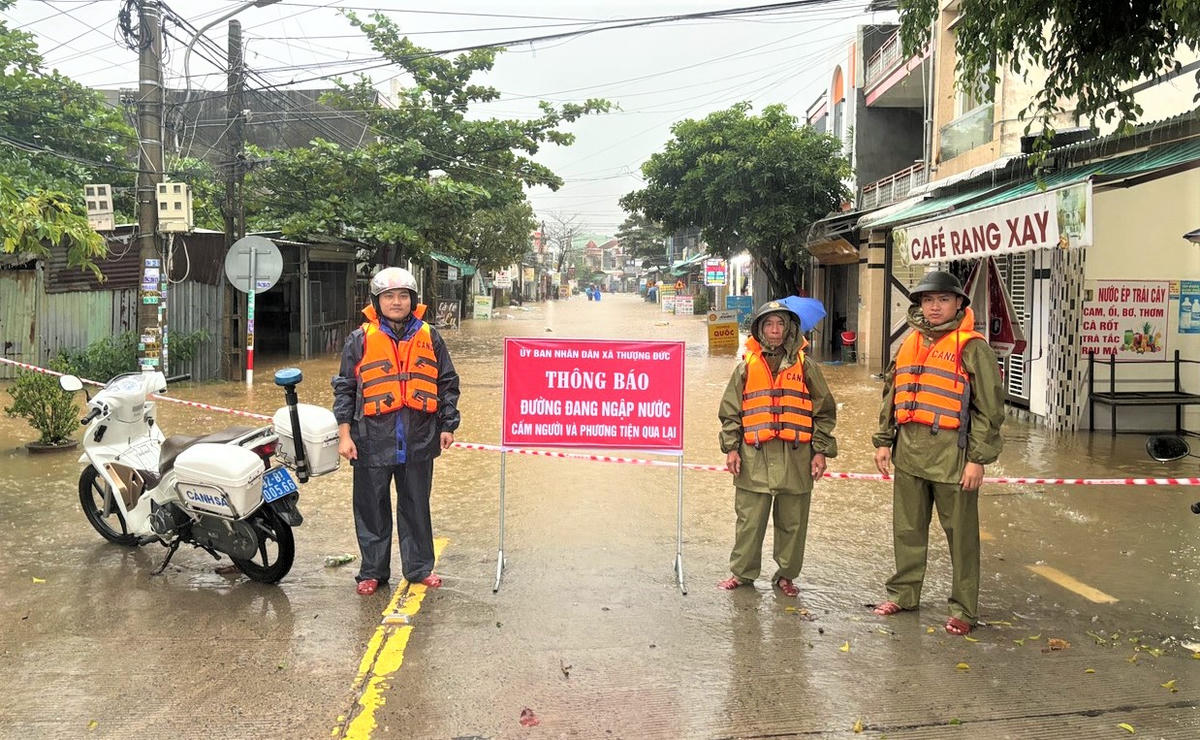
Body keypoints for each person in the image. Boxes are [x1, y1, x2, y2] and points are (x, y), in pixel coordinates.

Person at [870, 270, 1004, 635]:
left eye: (943, 299)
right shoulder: (908, 344)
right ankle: (904, 593)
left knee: (961, 537)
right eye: (928, 300)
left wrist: (978, 459)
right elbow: (892, 396)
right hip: (909, 453)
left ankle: (964, 609)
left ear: (959, 303)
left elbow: (989, 410)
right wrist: (884, 441)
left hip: (953, 457)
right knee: (907, 530)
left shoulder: (973, 347)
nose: (934, 307)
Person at [332, 267, 461, 596]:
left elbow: (447, 383)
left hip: (419, 438)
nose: (396, 302)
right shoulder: (359, 339)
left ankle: (419, 568)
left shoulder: (430, 336)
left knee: (416, 505)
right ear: (377, 302)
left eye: (403, 296)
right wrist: (344, 435)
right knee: (371, 507)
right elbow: (345, 389)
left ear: (413, 300)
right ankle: (372, 571)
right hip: (370, 438)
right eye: (389, 296)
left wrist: (448, 425)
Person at [717, 301, 837, 597]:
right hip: (753, 456)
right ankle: (742, 574)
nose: (774, 330)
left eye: (780, 324)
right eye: (768, 324)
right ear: (759, 329)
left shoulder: (806, 366)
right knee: (749, 521)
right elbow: (730, 412)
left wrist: (820, 451)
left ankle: (786, 576)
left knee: (793, 523)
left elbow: (824, 411)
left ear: (790, 329)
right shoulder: (745, 367)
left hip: (796, 457)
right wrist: (731, 449)